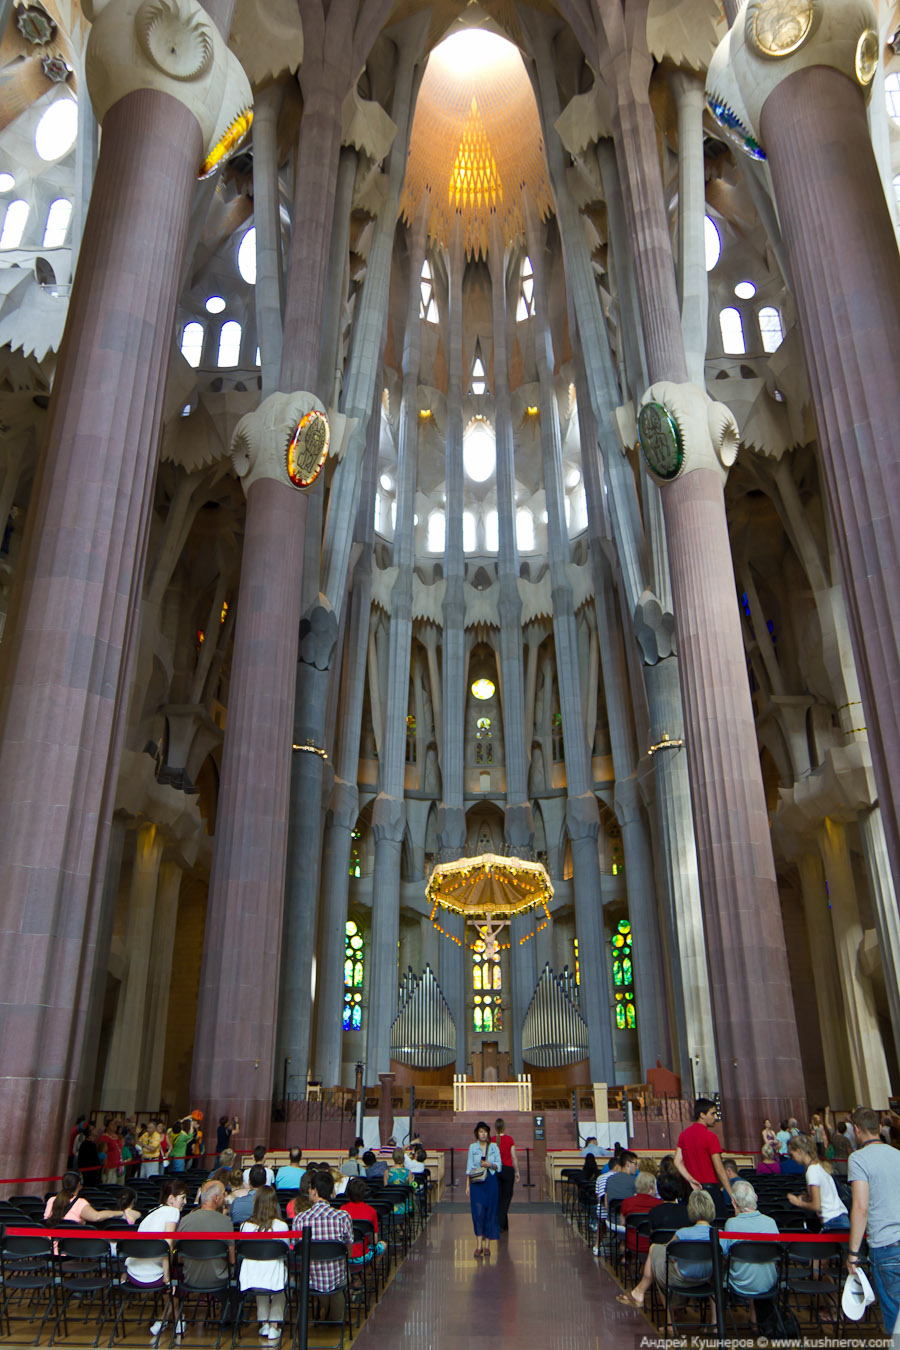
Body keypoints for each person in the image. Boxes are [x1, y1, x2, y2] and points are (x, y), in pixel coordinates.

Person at [617, 1188, 716, 1315]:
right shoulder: (720, 1235)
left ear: (691, 1209)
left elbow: (667, 1252)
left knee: (656, 1255)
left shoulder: (682, 1233)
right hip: (708, 1277)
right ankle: (714, 1322)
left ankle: (667, 1319)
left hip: (682, 1277)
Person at [847, 1105, 900, 1332]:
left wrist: (853, 1253)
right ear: (879, 1127)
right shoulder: (898, 1154)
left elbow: (860, 1207)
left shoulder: (858, 1158)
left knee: (894, 1318)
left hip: (886, 1245)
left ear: (857, 1130)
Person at [124, 1178, 188, 1338]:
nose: (186, 1202)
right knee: (174, 1281)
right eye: (183, 1198)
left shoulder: (151, 1213)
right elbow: (165, 1247)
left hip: (133, 1274)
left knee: (170, 1281)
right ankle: (171, 1319)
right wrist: (167, 1278)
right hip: (152, 1277)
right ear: (171, 1199)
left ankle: (168, 1320)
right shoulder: (173, 1212)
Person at [292, 1171, 353, 1325]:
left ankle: (324, 1311)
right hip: (337, 1277)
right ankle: (333, 1319)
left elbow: (295, 1249)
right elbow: (349, 1252)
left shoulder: (299, 1219)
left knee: (320, 1275)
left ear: (313, 1191)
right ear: (332, 1192)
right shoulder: (343, 1217)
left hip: (309, 1279)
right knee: (342, 1277)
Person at [177, 1178, 234, 1322]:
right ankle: (229, 1318)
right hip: (218, 1279)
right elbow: (232, 1260)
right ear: (216, 1198)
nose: (225, 1198)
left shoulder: (184, 1221)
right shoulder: (225, 1222)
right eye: (223, 1195)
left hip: (190, 1278)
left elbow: (179, 1258)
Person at [721, 1179, 779, 1316]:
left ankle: (718, 1322)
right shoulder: (771, 1223)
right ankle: (755, 1316)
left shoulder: (731, 1224)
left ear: (734, 1203)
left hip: (741, 1284)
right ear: (756, 1198)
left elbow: (724, 1254)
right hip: (768, 1283)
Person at [239, 1184, 288, 1340]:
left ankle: (264, 1323)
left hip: (251, 1276)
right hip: (274, 1277)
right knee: (279, 1273)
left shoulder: (245, 1226)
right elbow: (285, 1253)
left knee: (262, 1270)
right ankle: (274, 1325)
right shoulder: (282, 1226)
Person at [675, 1098, 734, 1214]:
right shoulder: (710, 1137)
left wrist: (690, 1179)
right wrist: (731, 1194)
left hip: (692, 1190)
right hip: (710, 1190)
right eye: (713, 1113)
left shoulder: (683, 1135)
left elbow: (677, 1161)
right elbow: (719, 1169)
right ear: (702, 1115)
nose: (716, 1117)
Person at [786, 1134, 849, 1230]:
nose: (792, 1158)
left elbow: (816, 1206)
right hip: (839, 1218)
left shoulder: (812, 1172)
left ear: (799, 1152)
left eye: (792, 1155)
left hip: (832, 1221)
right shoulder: (818, 1167)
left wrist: (798, 1202)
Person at [466, 1121, 501, 1258]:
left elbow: (499, 1165)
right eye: (481, 1131)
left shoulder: (494, 1147)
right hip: (477, 1182)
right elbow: (469, 1167)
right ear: (477, 1133)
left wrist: (490, 1164)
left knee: (490, 1212)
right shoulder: (472, 1147)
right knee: (478, 1213)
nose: (483, 1134)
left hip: (491, 1181)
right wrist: (467, 1185)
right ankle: (478, 1245)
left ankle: (487, 1246)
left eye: (485, 1131)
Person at [44, 1171, 124, 1227]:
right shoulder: (80, 1203)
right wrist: (121, 1212)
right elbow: (97, 1217)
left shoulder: (51, 1200)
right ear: (79, 1184)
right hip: (71, 1248)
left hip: (51, 1246)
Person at [620, 1170, 662, 1255]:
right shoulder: (659, 1204)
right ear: (651, 1188)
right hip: (653, 1244)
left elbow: (622, 1223)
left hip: (633, 1243)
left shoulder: (627, 1202)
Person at [492, 1117, 519, 1233]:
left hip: (496, 1170)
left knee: (499, 1197)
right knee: (506, 1198)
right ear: (504, 1127)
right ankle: (499, 1223)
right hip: (508, 1170)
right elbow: (513, 1157)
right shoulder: (509, 1139)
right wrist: (517, 1171)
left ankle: (504, 1224)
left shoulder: (492, 1140)